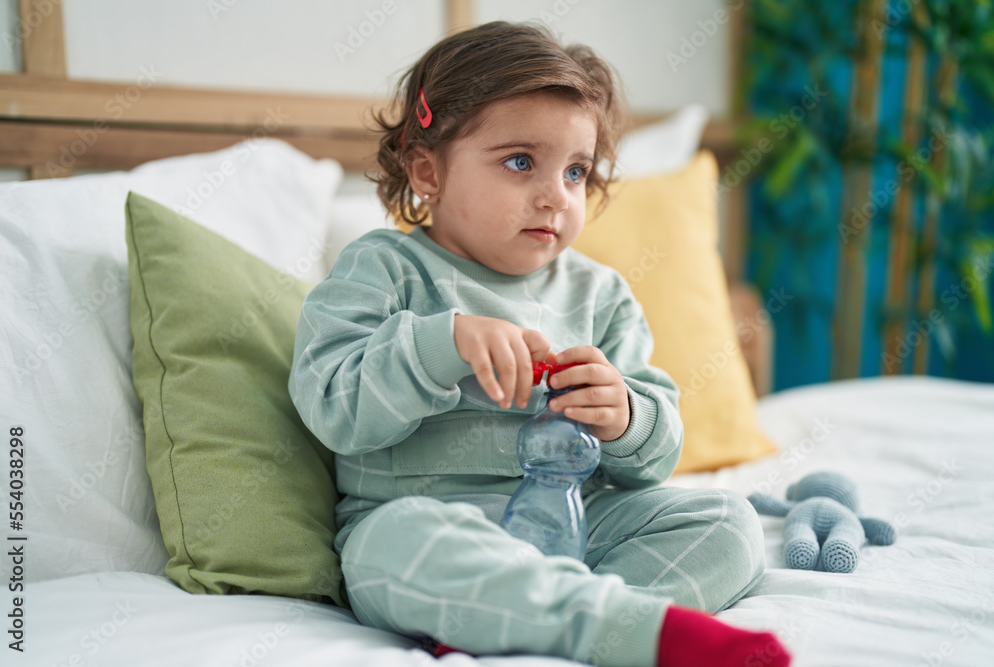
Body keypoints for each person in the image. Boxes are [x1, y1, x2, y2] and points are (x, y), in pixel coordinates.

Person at [289, 20, 790, 667]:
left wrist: (627, 416)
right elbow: (332, 406)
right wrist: (439, 345)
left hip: (578, 524)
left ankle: (533, 619)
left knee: (728, 522)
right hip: (435, 521)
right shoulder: (381, 268)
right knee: (393, 545)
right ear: (427, 170)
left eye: (577, 171)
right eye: (521, 161)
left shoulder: (601, 294)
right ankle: (617, 628)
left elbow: (655, 459)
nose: (555, 195)